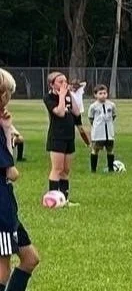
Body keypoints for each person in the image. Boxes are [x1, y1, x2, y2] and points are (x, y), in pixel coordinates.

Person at [0, 68, 41, 291]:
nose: (8, 100)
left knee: (30, 258)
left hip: (7, 205)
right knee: (2, 269)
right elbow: (11, 172)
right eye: (7, 94)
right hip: (0, 206)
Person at [44, 72, 89, 203]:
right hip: (57, 137)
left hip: (69, 137)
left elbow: (75, 112)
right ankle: (52, 198)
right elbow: (60, 112)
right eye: (60, 82)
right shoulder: (49, 97)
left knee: (65, 170)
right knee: (57, 169)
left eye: (65, 81)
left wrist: (71, 94)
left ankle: (64, 199)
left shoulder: (68, 95)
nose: (64, 84)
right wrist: (62, 96)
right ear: (52, 84)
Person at [87, 85, 118, 173]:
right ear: (95, 95)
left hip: (109, 132)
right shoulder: (93, 106)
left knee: (110, 150)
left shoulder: (111, 105)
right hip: (98, 133)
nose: (103, 95)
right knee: (95, 150)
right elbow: (91, 118)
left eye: (104, 93)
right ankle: (93, 169)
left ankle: (111, 168)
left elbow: (114, 115)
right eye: (100, 93)